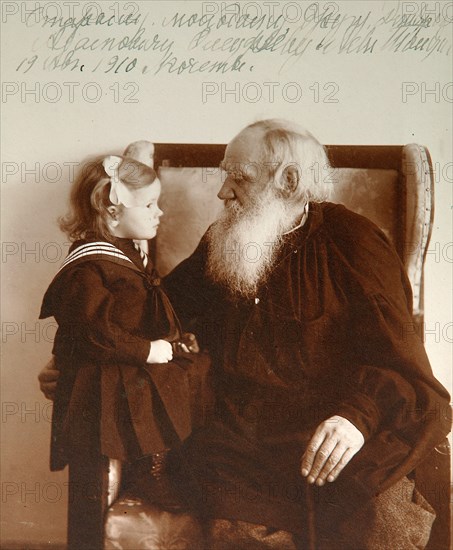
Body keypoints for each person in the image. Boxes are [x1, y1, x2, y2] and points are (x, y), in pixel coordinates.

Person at [40, 120, 451, 549]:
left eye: (239, 178)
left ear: (288, 181)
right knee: (237, 530)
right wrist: (73, 358)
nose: (223, 192)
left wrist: (356, 419)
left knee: (378, 522)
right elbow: (160, 316)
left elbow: (399, 361)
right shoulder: (224, 240)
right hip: (243, 439)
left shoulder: (355, 243)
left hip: (335, 428)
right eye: (225, 176)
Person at [38, 151, 209, 527]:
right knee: (159, 384)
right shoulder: (89, 266)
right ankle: (151, 471)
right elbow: (90, 331)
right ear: (113, 212)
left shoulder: (127, 250)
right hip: (107, 372)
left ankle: (178, 465)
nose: (159, 212)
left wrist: (174, 339)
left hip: (126, 361)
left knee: (194, 369)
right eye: (149, 204)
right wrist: (148, 349)